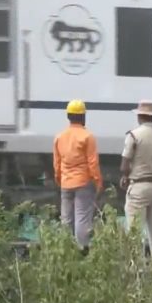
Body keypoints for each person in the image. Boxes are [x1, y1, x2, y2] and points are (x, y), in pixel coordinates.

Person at [53, 99, 103, 249]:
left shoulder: (59, 137)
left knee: (66, 218)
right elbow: (92, 163)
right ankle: (82, 249)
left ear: (68, 116)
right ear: (83, 117)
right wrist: (98, 182)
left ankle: (65, 250)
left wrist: (59, 180)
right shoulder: (87, 137)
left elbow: (57, 164)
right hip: (83, 183)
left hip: (66, 183)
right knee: (82, 217)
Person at [119, 99, 152, 253]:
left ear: (139, 116)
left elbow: (124, 165)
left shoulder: (133, 136)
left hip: (139, 186)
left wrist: (125, 176)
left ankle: (136, 270)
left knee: (135, 231)